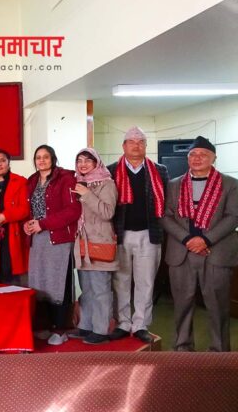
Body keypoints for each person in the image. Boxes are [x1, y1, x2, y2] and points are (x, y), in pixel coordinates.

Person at [161, 136, 238, 352]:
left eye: (203, 154)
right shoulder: (174, 184)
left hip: (216, 253)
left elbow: (233, 216)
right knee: (182, 305)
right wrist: (188, 239)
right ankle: (182, 348)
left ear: (214, 158)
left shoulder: (230, 184)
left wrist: (205, 239)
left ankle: (219, 352)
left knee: (217, 307)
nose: (197, 158)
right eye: (192, 154)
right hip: (182, 252)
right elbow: (166, 216)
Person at [107, 127, 169, 343]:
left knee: (146, 282)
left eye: (141, 141)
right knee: (120, 281)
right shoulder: (111, 170)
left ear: (146, 146)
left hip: (149, 235)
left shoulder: (159, 170)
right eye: (131, 141)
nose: (136, 145)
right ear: (123, 146)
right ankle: (123, 323)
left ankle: (141, 324)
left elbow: (167, 202)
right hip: (119, 235)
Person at [24, 145, 81, 346]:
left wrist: (43, 224)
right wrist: (28, 224)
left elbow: (73, 211)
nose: (41, 160)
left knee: (58, 284)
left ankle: (60, 329)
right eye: (38, 157)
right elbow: (30, 210)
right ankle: (46, 325)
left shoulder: (66, 178)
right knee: (40, 284)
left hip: (58, 237)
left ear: (53, 159)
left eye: (45, 157)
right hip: (37, 238)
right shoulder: (32, 180)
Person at [70, 148, 119, 345]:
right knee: (87, 288)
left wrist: (87, 194)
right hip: (82, 243)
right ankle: (86, 326)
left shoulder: (107, 183)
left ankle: (101, 330)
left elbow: (107, 213)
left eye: (87, 160)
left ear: (96, 163)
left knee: (101, 289)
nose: (83, 164)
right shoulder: (77, 183)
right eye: (79, 160)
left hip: (100, 242)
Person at [0, 149, 30, 285]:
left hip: (14, 233)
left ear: (8, 163)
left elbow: (25, 209)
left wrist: (4, 216)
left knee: (13, 278)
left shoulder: (21, 182)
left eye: (3, 160)